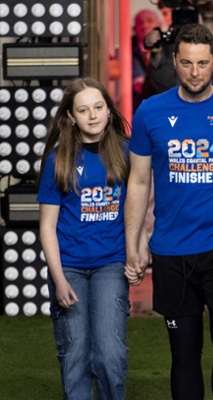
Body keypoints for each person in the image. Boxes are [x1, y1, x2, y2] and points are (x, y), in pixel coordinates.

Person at [124, 24, 213, 400]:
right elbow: (138, 183)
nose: (194, 72)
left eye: (202, 63)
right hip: (172, 250)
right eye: (186, 63)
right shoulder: (150, 112)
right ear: (174, 61)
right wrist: (134, 242)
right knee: (183, 353)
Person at [37, 78, 136, 400]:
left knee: (110, 354)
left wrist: (139, 250)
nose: (92, 115)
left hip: (111, 263)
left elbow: (140, 210)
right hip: (70, 268)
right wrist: (59, 278)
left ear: (109, 110)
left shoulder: (126, 152)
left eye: (98, 107)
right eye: (83, 110)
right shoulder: (58, 160)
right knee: (75, 354)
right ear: (70, 116)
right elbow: (47, 226)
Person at [144, 0, 213, 94]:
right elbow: (164, 85)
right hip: (181, 112)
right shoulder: (176, 40)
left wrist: (202, 37)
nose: (207, 2)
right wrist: (157, 55)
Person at [132, 9, 162, 112]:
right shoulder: (126, 50)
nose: (145, 26)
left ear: (160, 25)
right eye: (140, 23)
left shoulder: (170, 49)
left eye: (150, 21)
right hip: (135, 109)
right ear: (134, 28)